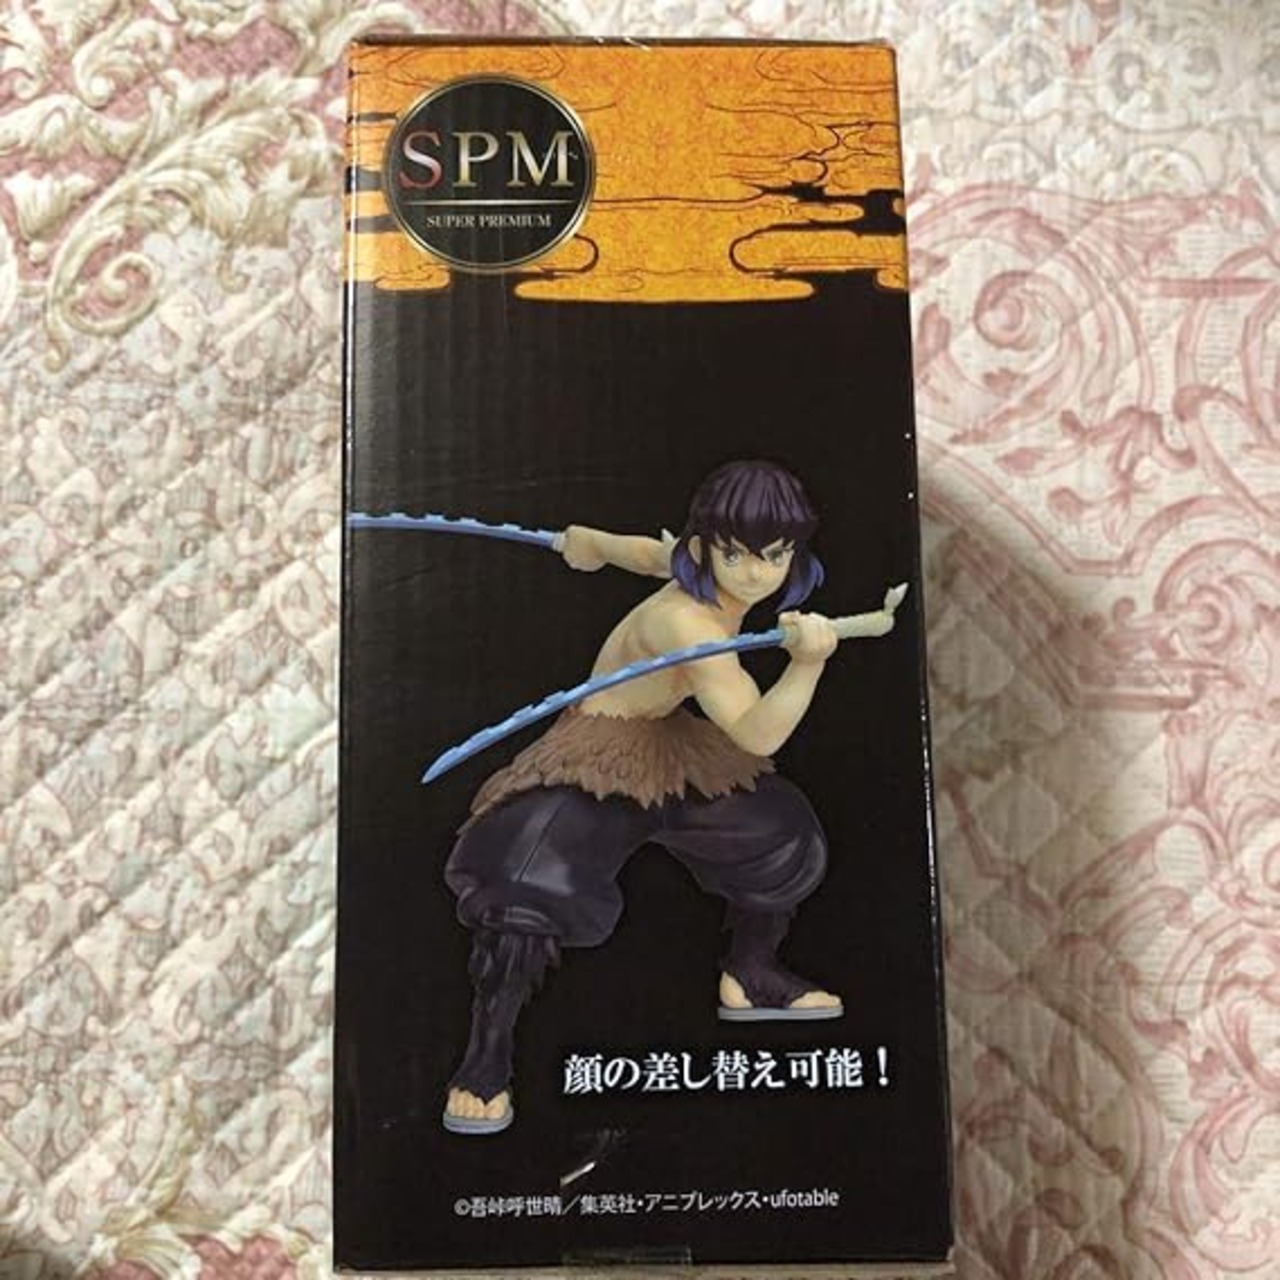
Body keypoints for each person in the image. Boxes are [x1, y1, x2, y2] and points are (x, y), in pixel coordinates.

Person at [442, 460, 849, 1134]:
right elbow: (755, 732)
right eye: (736, 554)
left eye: (775, 555)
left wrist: (590, 542)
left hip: (670, 744)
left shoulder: (691, 563)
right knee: (525, 880)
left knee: (781, 834)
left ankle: (750, 973)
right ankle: (484, 1060)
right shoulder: (687, 625)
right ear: (706, 547)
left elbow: (642, 551)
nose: (755, 574)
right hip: (600, 755)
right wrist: (807, 666)